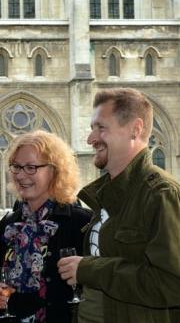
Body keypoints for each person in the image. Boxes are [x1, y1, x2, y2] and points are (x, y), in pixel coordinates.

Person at [58, 87, 180, 323]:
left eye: (101, 128)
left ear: (135, 130)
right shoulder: (105, 196)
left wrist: (90, 269)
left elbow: (172, 284)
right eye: (92, 128)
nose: (90, 139)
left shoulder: (161, 194)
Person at [0, 130, 92, 323]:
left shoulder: (81, 223)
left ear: (55, 170)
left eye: (31, 167)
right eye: (17, 167)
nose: (21, 175)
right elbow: (1, 284)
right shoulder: (8, 224)